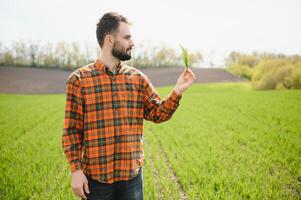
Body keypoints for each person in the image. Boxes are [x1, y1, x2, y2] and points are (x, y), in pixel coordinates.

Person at [62, 12, 196, 200]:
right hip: (96, 180)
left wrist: (178, 91)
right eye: (127, 37)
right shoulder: (79, 80)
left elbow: (158, 114)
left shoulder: (137, 78)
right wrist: (75, 170)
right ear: (109, 39)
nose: (132, 43)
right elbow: (71, 130)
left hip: (131, 178)